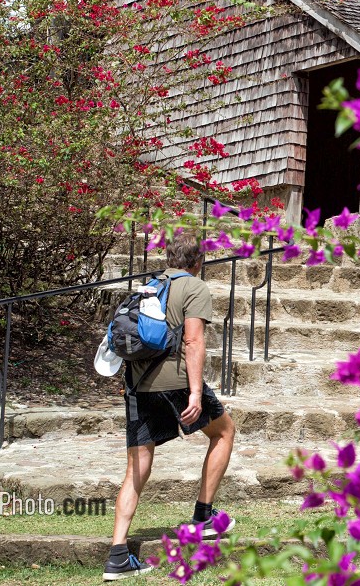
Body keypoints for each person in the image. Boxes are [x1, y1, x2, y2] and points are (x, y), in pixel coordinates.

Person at [104, 229, 236, 581]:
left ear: (168, 259)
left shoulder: (148, 286)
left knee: (137, 467)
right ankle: (203, 516)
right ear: (199, 260)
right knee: (224, 432)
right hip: (175, 381)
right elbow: (193, 342)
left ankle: (118, 555)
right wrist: (195, 393)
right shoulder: (195, 287)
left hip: (136, 384)